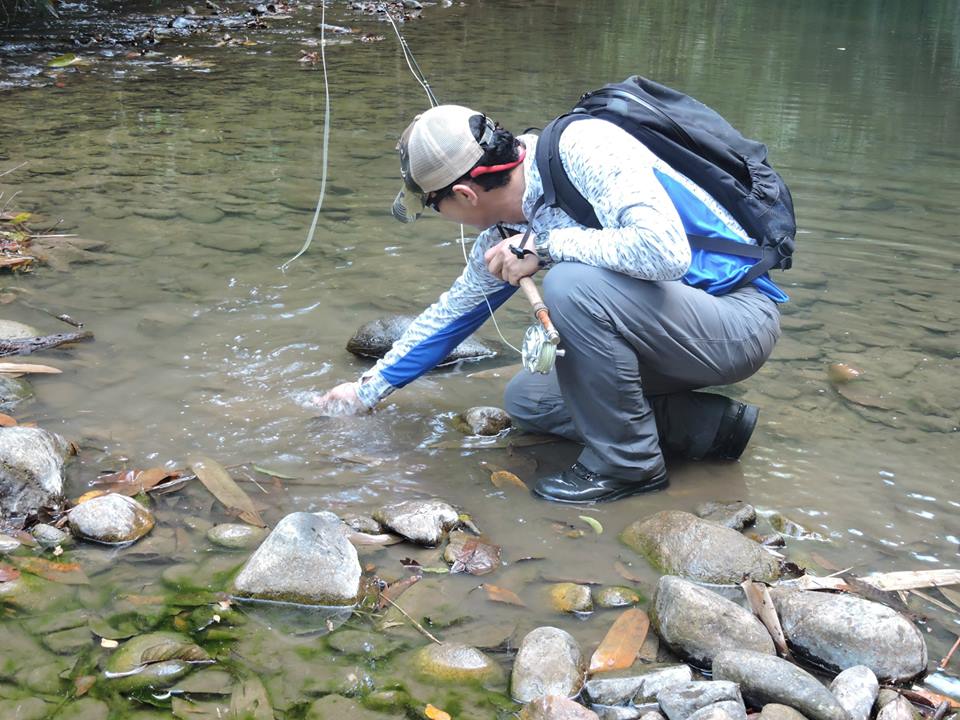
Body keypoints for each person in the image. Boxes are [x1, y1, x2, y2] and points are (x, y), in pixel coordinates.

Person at [314, 104, 784, 504]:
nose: (442, 218)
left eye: (433, 207)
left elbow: (665, 252)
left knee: (570, 286)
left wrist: (548, 247)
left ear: (463, 194)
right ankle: (708, 428)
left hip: (736, 321)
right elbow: (453, 314)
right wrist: (366, 389)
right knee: (529, 399)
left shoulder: (584, 149)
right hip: (666, 334)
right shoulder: (504, 230)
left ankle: (629, 467)